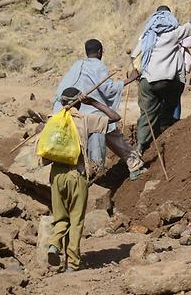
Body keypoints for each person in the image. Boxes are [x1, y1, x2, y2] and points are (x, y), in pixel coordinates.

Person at [47, 87, 120, 272]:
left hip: (56, 175)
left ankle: (54, 244)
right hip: (76, 175)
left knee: (60, 217)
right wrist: (93, 102)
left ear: (62, 102)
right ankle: (72, 264)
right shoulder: (85, 119)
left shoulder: (52, 120)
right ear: (78, 102)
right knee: (76, 220)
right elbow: (114, 118)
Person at [53, 39, 146, 180]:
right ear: (100, 52)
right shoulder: (98, 65)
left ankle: (78, 174)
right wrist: (130, 79)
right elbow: (108, 90)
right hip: (87, 111)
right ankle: (134, 165)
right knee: (111, 133)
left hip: (63, 111)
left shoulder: (76, 66)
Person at [130, 5, 191, 153]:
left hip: (148, 82)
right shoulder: (174, 34)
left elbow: (134, 55)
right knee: (172, 102)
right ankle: (167, 127)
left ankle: (140, 146)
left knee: (147, 114)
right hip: (170, 81)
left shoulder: (146, 37)